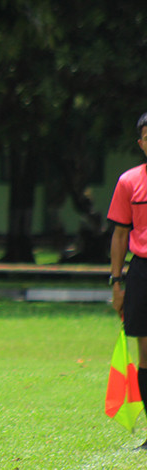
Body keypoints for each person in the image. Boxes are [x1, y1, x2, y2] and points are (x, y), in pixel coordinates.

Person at [109, 111, 147, 452]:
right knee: (145, 351)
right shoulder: (128, 182)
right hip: (141, 272)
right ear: (141, 143)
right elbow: (120, 235)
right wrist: (116, 283)